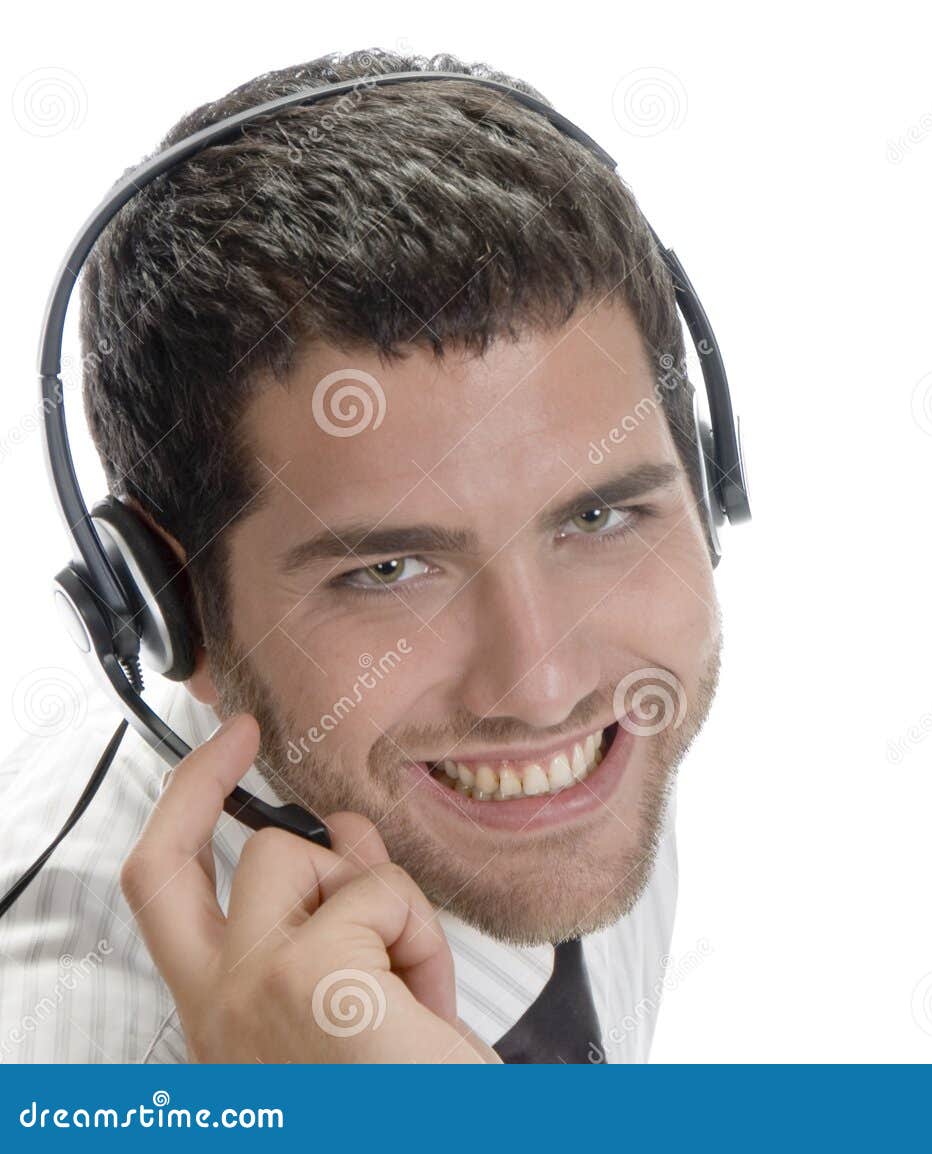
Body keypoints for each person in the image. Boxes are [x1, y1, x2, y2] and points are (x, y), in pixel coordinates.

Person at [0, 47, 725, 1063]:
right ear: (171, 608)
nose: (542, 682)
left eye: (596, 521)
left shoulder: (561, 770)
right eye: (388, 572)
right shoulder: (70, 1057)